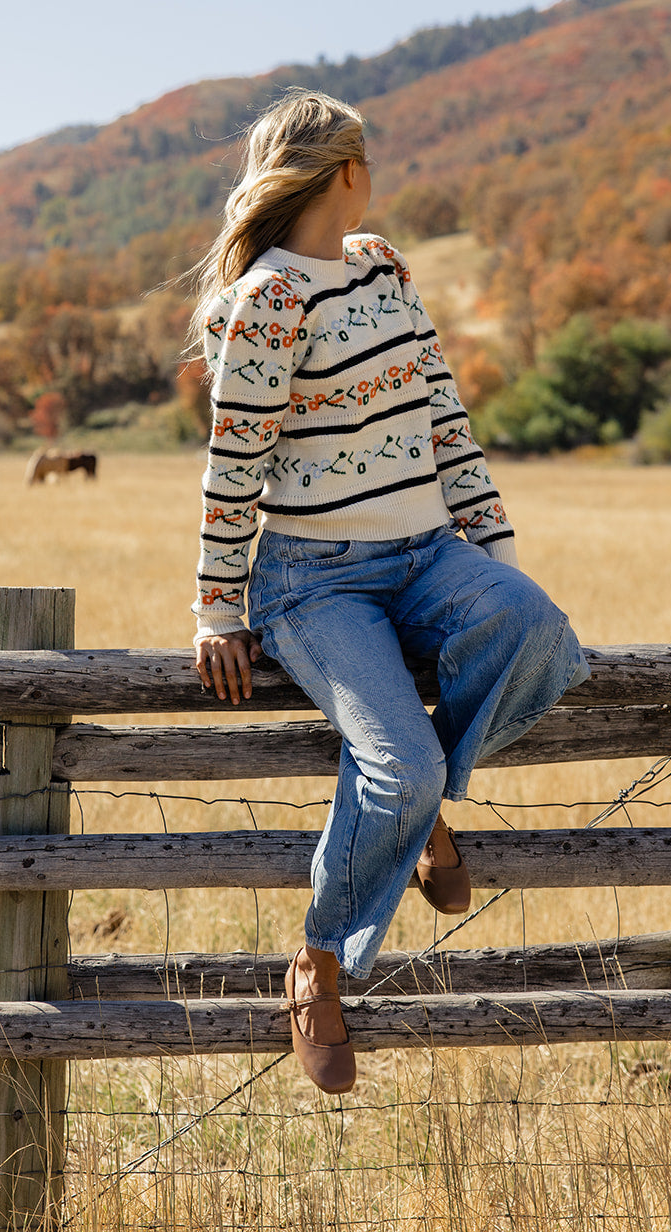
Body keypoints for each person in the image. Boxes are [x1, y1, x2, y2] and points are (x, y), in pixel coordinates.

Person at [190, 91, 589, 1095]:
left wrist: (491, 548)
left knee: (538, 633)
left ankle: (417, 816)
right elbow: (234, 463)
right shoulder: (268, 300)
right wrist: (215, 609)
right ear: (347, 172)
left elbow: (444, 418)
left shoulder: (382, 270)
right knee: (394, 760)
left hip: (426, 551)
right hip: (312, 580)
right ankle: (317, 961)